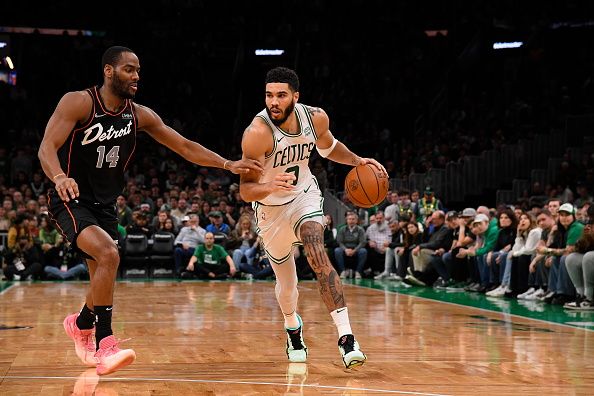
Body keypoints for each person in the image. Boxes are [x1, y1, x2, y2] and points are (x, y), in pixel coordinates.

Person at [37, 46, 262, 376]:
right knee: (109, 255)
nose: (136, 76)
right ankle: (105, 343)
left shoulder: (139, 114)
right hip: (70, 198)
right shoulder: (80, 102)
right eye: (129, 69)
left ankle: (81, 322)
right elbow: (46, 147)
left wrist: (228, 164)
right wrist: (58, 177)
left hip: (105, 204)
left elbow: (184, 146)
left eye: (138, 70)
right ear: (109, 71)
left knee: (102, 272)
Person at [238, 67, 386, 368]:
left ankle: (347, 338)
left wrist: (358, 161)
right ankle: (292, 326)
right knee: (288, 287)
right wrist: (267, 185)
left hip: (304, 196)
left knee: (316, 248)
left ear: (295, 96)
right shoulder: (257, 133)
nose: (274, 102)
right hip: (270, 209)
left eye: (281, 95)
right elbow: (246, 190)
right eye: (269, 95)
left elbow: (329, 147)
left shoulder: (315, 117)